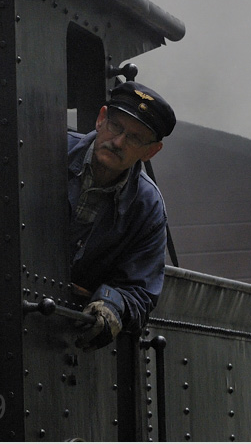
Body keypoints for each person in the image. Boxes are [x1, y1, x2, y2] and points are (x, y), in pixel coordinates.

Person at [67, 81, 176, 351]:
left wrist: (111, 304)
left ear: (151, 151)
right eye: (116, 127)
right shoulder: (41, 150)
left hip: (70, 336)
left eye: (135, 138)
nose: (118, 142)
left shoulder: (149, 207)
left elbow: (140, 290)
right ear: (101, 119)